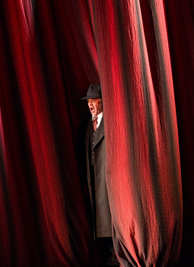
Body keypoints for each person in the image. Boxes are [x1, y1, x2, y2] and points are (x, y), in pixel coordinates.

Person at [81, 84, 118, 266]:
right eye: (88, 101)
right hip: (94, 185)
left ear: (102, 102)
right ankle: (107, 260)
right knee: (100, 226)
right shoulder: (89, 125)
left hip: (107, 183)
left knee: (110, 224)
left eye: (94, 100)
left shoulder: (109, 122)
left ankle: (115, 259)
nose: (90, 105)